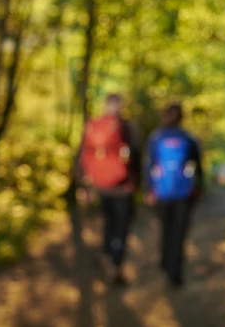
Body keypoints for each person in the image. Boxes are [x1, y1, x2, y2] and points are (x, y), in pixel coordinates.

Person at [75, 93, 142, 285]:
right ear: (120, 106)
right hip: (124, 188)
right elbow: (137, 155)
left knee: (108, 224)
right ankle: (116, 263)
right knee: (121, 228)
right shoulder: (128, 127)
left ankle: (107, 256)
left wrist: (84, 186)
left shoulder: (93, 126)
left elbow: (81, 156)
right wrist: (138, 184)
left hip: (100, 187)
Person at [144, 102, 203, 288]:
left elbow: (148, 165)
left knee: (165, 229)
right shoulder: (188, 138)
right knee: (179, 233)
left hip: (162, 193)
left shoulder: (155, 138)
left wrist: (148, 189)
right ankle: (174, 272)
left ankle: (165, 263)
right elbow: (198, 167)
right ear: (181, 117)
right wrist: (198, 189)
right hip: (183, 194)